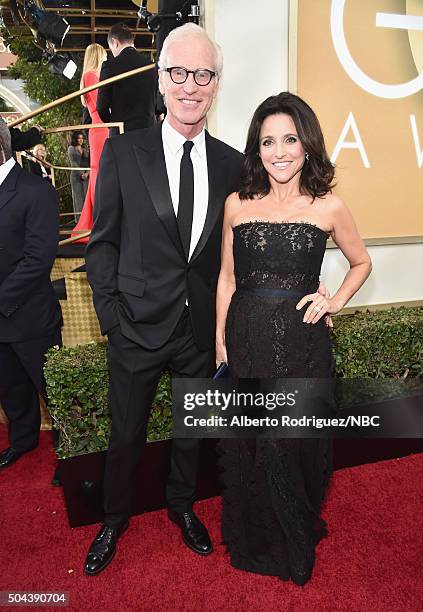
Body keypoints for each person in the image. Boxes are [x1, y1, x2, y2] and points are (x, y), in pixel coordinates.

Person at [84, 23, 244, 576]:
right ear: (160, 79)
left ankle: (182, 507)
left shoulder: (232, 163)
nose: (191, 86)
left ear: (215, 85)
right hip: (134, 327)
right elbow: (102, 243)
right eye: (179, 73)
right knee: (125, 433)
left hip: (197, 329)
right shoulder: (125, 153)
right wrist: (112, 319)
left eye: (203, 75)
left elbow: (235, 250)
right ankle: (113, 519)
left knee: (189, 432)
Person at [215, 92, 372, 585]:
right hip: (245, 338)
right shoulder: (237, 204)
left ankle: (294, 535)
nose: (279, 151)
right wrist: (220, 341)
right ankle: (257, 540)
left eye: (289, 139)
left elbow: (362, 262)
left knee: (294, 444)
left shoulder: (330, 206)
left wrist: (335, 300)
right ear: (256, 149)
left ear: (307, 144)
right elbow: (227, 279)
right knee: (252, 444)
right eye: (268, 141)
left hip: (303, 347)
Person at [0, 118, 62, 470]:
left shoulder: (35, 190)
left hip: (30, 315)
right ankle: (22, 441)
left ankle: (67, 453)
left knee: (50, 390)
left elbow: (38, 257)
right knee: (9, 387)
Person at [72, 43, 108, 242]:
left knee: (100, 173)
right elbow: (101, 106)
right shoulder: (91, 75)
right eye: (103, 55)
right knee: (100, 173)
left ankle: (94, 220)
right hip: (101, 128)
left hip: (100, 128)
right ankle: (98, 220)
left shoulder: (90, 75)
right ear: (97, 55)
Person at [96, 22, 157, 136]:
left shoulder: (109, 66)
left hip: (121, 132)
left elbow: (101, 107)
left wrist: (112, 123)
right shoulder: (150, 65)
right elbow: (158, 103)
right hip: (148, 131)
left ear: (114, 42)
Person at [67, 131, 89, 222]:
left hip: (86, 176)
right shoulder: (71, 148)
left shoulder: (85, 150)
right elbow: (73, 163)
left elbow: (89, 163)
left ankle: (87, 220)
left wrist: (87, 173)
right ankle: (79, 221)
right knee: (78, 199)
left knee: (86, 198)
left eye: (82, 138)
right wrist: (81, 174)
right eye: (79, 138)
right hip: (76, 176)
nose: (80, 140)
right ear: (75, 139)